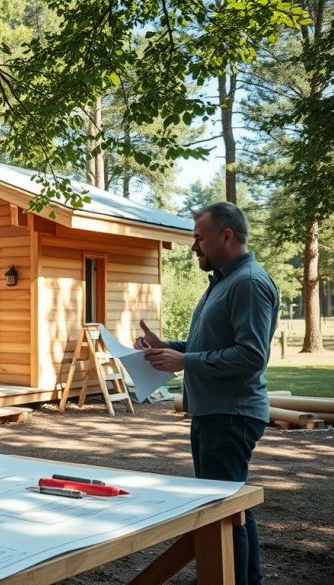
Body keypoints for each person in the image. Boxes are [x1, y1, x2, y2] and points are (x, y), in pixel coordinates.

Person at [135, 201, 278, 585]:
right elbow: (210, 342)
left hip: (230, 415)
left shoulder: (248, 283)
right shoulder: (224, 282)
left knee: (222, 512)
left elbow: (251, 355)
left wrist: (186, 361)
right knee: (232, 509)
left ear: (226, 235)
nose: (194, 247)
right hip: (215, 412)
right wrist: (167, 346)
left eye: (199, 238)